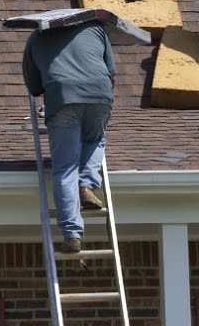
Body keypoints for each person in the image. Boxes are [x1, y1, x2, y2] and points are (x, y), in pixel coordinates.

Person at [22, 20, 117, 254]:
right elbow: (111, 71)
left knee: (65, 168)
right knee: (95, 139)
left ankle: (72, 234)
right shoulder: (95, 28)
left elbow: (34, 87)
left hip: (62, 96)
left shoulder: (36, 37)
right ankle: (87, 185)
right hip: (99, 93)